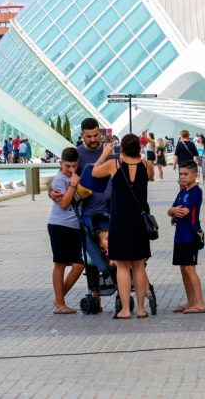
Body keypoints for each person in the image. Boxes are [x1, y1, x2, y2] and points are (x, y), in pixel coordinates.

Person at [92, 134, 155, 319]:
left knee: (122, 266)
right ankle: (142, 309)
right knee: (139, 266)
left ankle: (126, 309)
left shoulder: (115, 165)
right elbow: (149, 178)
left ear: (123, 148)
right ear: (138, 147)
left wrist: (105, 154)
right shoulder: (146, 165)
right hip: (139, 220)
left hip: (119, 220)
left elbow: (94, 172)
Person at [76, 118, 115, 313]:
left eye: (95, 135)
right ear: (82, 135)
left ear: (100, 133)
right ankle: (95, 294)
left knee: (116, 251)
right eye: (88, 136)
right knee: (91, 255)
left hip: (112, 209)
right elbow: (69, 177)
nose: (93, 139)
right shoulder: (78, 155)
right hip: (90, 212)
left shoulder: (111, 152)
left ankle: (122, 289)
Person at [46, 147, 85, 314]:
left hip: (73, 226)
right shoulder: (60, 180)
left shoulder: (75, 175)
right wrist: (73, 185)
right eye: (68, 166)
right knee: (60, 263)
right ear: (61, 163)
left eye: (74, 166)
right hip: (59, 225)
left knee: (78, 265)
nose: (71, 170)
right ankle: (60, 304)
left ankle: (59, 299)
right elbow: (64, 204)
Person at [169, 160, 205, 313]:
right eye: (181, 174)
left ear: (195, 176)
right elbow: (171, 209)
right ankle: (190, 301)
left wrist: (173, 211)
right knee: (183, 270)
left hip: (190, 235)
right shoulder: (182, 191)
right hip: (179, 236)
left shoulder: (196, 191)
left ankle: (200, 303)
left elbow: (184, 211)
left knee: (190, 269)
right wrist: (172, 211)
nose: (182, 177)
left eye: (185, 174)